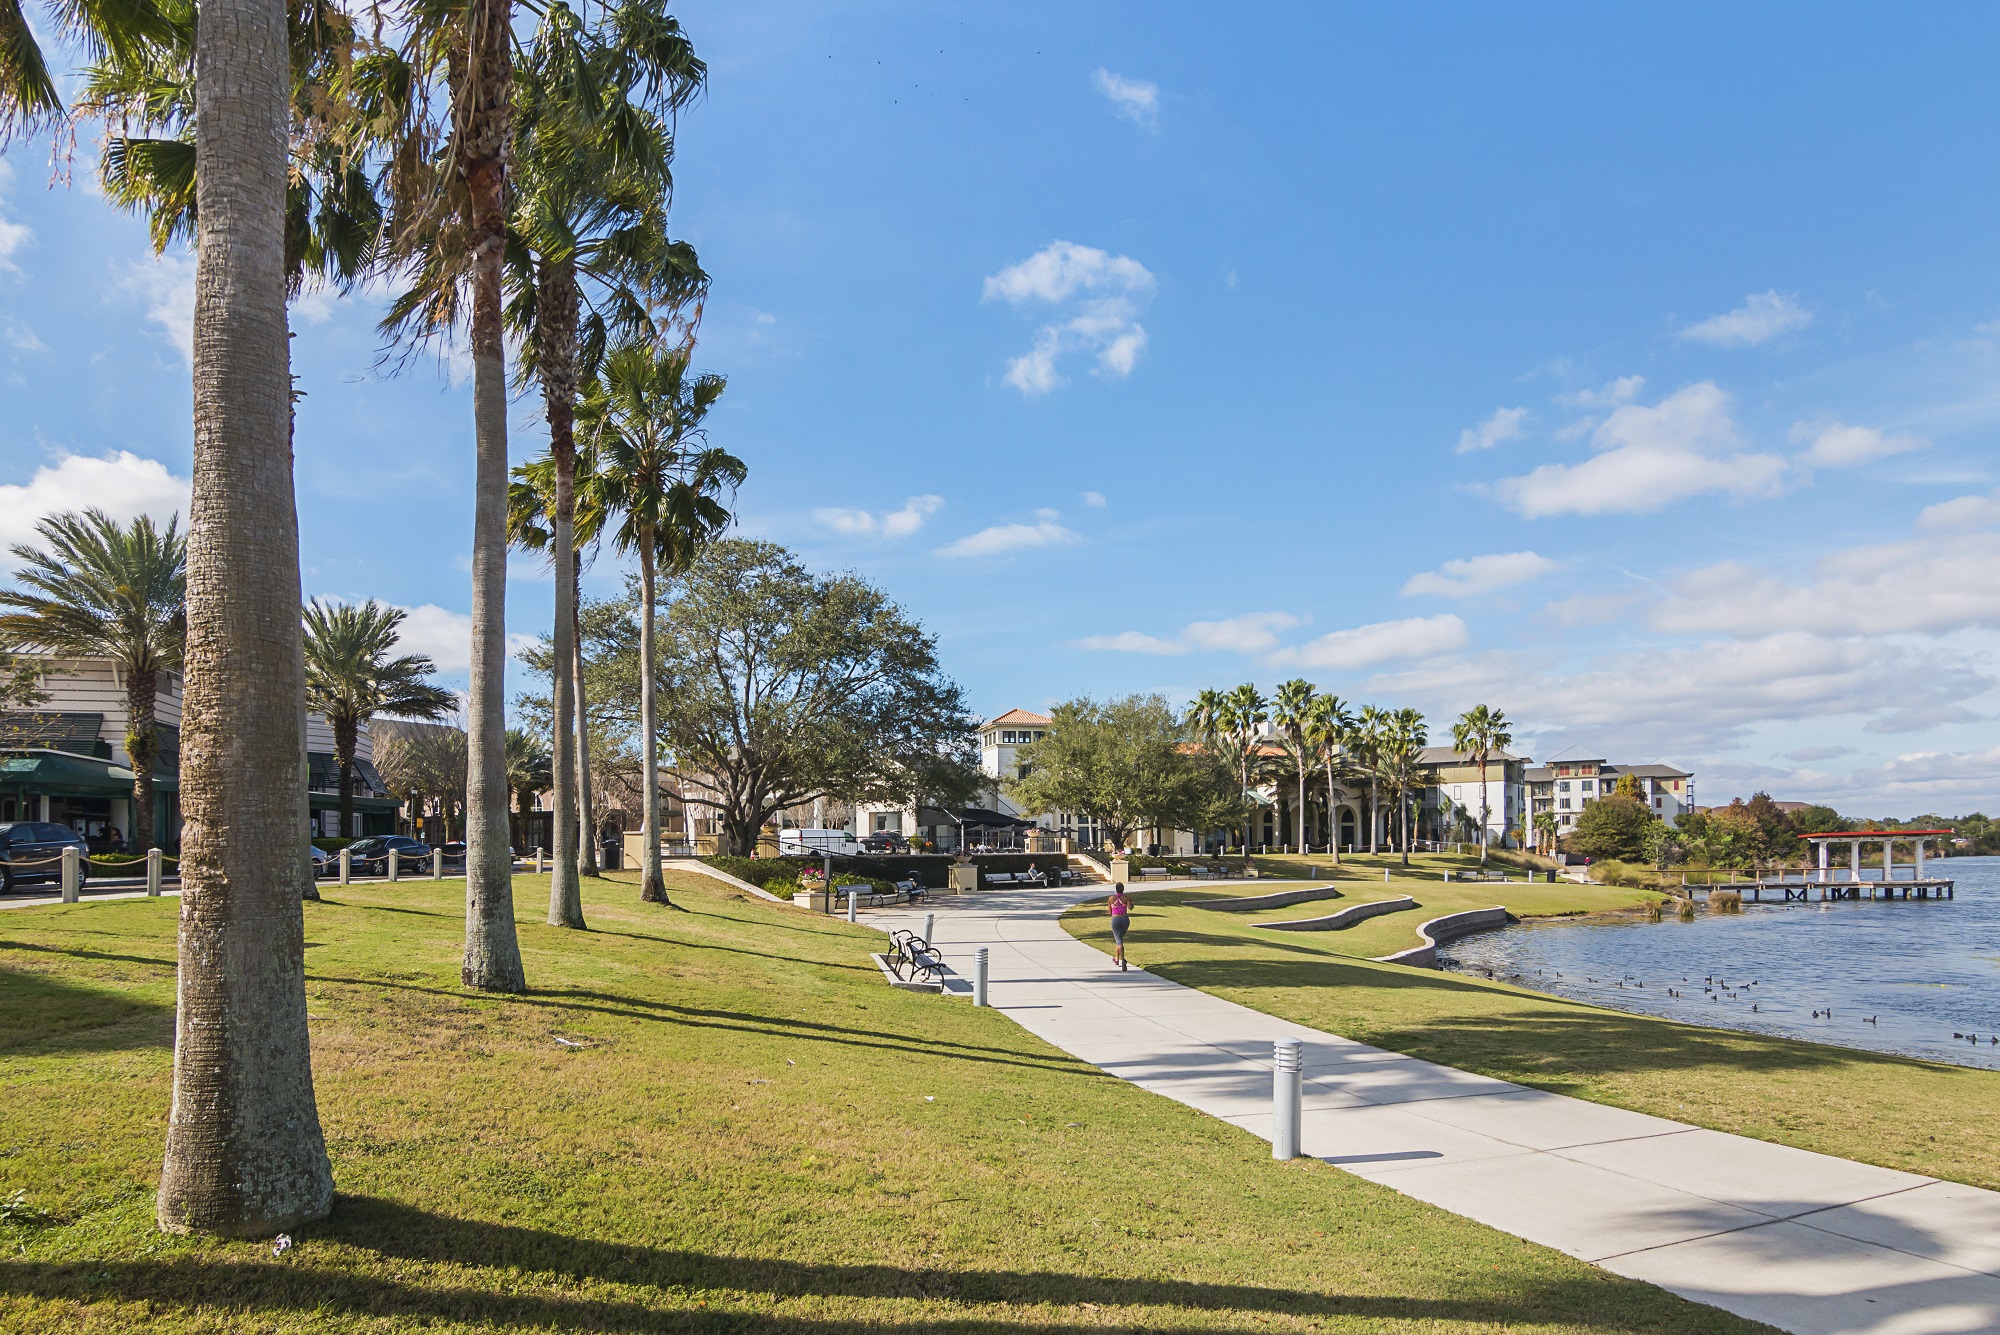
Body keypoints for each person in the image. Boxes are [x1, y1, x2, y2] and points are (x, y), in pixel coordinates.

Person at [1107, 882, 1132, 971]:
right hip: (1125, 920)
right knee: (1119, 940)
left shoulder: (1111, 898)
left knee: (1119, 941)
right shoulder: (1126, 898)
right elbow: (1130, 907)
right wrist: (1129, 902)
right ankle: (1116, 958)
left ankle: (1123, 960)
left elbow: (1110, 912)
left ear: (1116, 889)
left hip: (1115, 919)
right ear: (1123, 889)